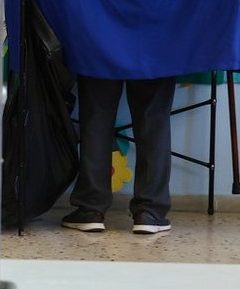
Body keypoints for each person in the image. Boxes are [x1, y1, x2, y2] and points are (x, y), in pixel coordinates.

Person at [60, 77, 175, 234]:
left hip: (100, 59)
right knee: (153, 115)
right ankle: (149, 211)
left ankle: (91, 208)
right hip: (156, 59)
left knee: (97, 112)